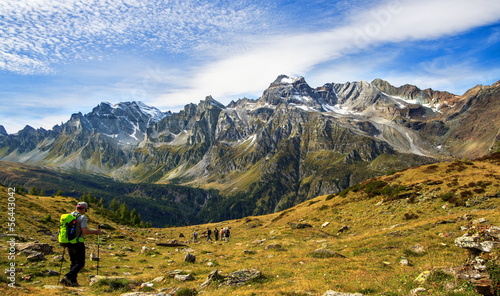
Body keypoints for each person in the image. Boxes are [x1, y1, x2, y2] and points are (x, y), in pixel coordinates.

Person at [60, 202, 102, 287]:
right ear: (83, 209)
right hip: (78, 243)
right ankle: (67, 277)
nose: (85, 212)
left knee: (73, 262)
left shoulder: (69, 216)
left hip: (68, 242)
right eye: (85, 210)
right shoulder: (82, 217)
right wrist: (95, 232)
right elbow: (84, 231)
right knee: (80, 263)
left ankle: (72, 281)